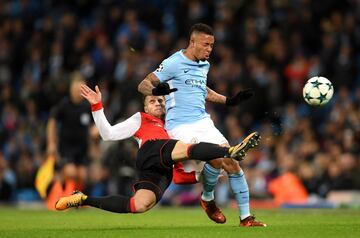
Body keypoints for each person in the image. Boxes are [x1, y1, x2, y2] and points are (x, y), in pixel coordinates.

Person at [55, 84, 260, 214]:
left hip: (159, 168)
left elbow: (179, 176)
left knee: (138, 205)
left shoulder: (173, 129)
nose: (157, 103)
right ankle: (230, 151)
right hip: (150, 150)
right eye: (152, 101)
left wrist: (200, 177)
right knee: (191, 148)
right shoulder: (141, 119)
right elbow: (107, 134)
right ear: (145, 107)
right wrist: (97, 106)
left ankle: (82, 198)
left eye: (160, 101)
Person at [138, 23, 266, 226]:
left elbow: (201, 89)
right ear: (192, 42)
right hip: (180, 126)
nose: (209, 49)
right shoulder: (173, 63)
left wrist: (229, 101)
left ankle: (246, 217)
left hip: (203, 121)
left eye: (212, 46)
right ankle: (207, 198)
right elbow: (143, 84)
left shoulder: (204, 65)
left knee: (232, 162)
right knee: (217, 157)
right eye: (205, 45)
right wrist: (156, 90)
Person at [46, 72, 93, 209]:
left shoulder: (86, 107)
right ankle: (62, 194)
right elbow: (52, 122)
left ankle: (78, 201)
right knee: (71, 172)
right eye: (76, 89)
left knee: (83, 175)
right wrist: (51, 143)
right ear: (71, 89)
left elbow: (93, 126)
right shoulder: (64, 105)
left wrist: (95, 133)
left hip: (82, 148)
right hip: (67, 147)